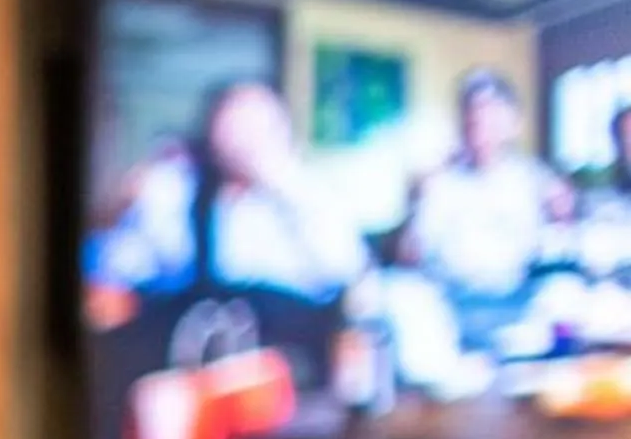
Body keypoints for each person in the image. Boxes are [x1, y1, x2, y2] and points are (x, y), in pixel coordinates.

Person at [90, 78, 369, 301]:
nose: (244, 139)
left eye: (258, 125)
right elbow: (120, 266)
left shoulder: (308, 195)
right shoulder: (178, 193)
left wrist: (285, 188)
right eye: (234, 124)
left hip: (288, 352)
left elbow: (345, 268)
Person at [405, 69, 573, 337]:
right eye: (472, 116)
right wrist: (415, 202)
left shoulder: (535, 179)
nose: (480, 125)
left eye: (490, 114)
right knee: (406, 297)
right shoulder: (440, 183)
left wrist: (562, 214)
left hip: (519, 302)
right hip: (453, 305)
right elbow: (414, 252)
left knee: (566, 292)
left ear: (513, 123)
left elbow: (560, 241)